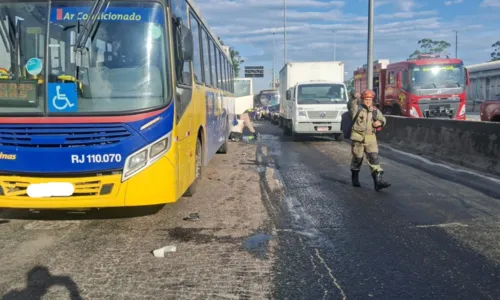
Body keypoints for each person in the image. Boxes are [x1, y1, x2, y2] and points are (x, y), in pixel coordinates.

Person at [348, 89, 391, 191]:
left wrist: (380, 122)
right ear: (362, 99)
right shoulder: (356, 108)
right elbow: (350, 104)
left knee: (374, 158)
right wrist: (354, 96)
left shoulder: (375, 110)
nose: (368, 101)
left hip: (371, 137)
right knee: (357, 159)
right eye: (366, 99)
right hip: (358, 137)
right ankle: (355, 178)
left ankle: (378, 182)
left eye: (370, 100)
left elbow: (383, 119)